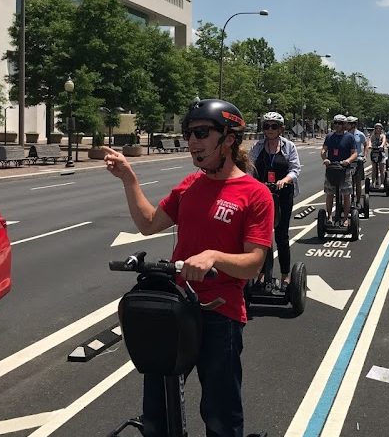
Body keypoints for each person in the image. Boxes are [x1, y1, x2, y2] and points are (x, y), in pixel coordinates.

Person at [102, 99, 272, 437]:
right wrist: (128, 179)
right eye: (188, 134)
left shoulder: (255, 195)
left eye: (201, 133)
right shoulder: (190, 185)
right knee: (157, 410)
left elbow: (254, 263)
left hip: (220, 314)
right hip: (176, 310)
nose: (192, 141)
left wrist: (215, 257)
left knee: (220, 414)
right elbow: (149, 223)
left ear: (229, 138)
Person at [249, 111, 301, 287]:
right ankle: (262, 273)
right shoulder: (258, 146)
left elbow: (295, 169)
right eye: (266, 126)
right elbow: (249, 167)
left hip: (283, 195)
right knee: (261, 236)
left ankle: (285, 274)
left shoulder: (288, 147)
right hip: (261, 195)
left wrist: (284, 180)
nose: (269, 129)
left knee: (281, 235)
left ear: (281, 129)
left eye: (274, 126)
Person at [321, 114, 358, 226]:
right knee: (329, 193)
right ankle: (329, 217)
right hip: (331, 169)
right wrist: (325, 158)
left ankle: (346, 218)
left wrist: (348, 160)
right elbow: (323, 150)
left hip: (344, 169)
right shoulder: (329, 136)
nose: (337, 125)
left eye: (340, 123)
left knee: (346, 194)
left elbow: (355, 153)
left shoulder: (350, 137)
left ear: (345, 125)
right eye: (335, 123)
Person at [345, 116, 368, 207]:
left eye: (349, 124)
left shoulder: (360, 134)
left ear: (353, 125)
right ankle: (347, 202)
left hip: (358, 160)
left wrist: (365, 156)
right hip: (348, 160)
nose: (346, 125)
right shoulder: (345, 134)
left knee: (358, 182)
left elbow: (366, 144)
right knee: (347, 182)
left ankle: (358, 202)